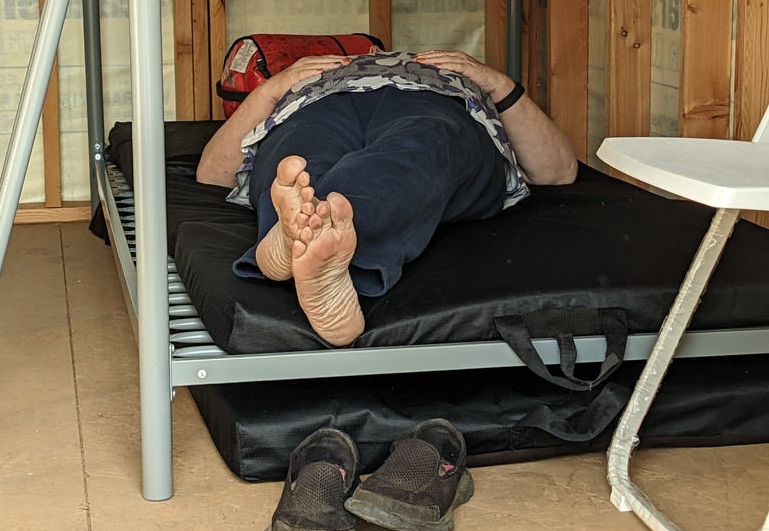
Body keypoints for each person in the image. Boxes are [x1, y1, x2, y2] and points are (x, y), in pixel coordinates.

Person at [197, 48, 577, 347]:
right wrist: (272, 89)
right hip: (316, 102)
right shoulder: (301, 80)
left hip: (435, 97)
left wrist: (498, 84)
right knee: (297, 163)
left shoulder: (454, 74)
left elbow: (558, 172)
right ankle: (299, 236)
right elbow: (212, 175)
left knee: (424, 144)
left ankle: (298, 241)